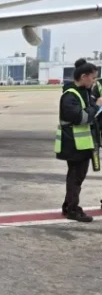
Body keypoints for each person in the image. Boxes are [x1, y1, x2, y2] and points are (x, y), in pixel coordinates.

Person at [56, 60, 100, 222]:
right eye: (93, 78)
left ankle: (69, 206)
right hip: (74, 145)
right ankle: (72, 210)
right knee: (75, 178)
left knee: (76, 177)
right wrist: (96, 106)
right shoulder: (70, 96)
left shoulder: (84, 92)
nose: (94, 81)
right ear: (83, 76)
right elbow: (81, 118)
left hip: (82, 144)